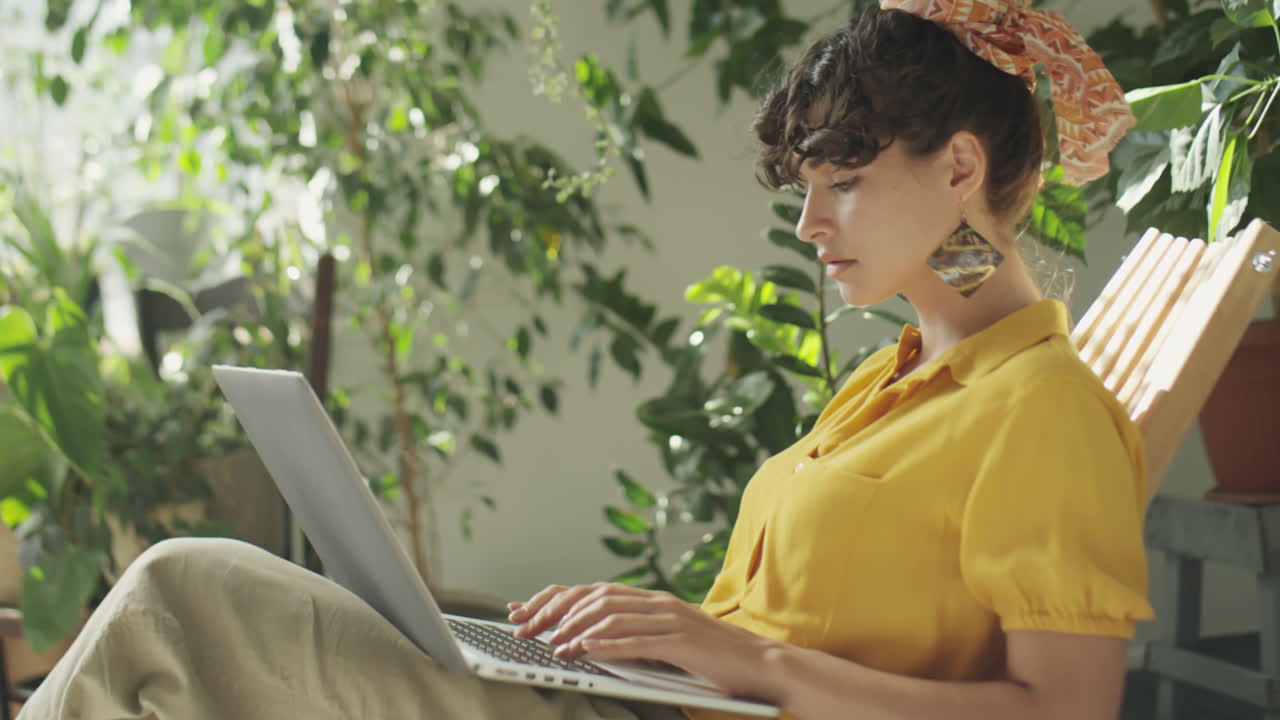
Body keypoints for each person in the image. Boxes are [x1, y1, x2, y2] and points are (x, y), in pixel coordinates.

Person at [19, 1, 1154, 719]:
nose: (810, 225)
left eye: (842, 181)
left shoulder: (1036, 407)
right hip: (641, 705)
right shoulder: (887, 382)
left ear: (960, 167)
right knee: (188, 627)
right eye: (804, 190)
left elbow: (1059, 710)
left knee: (180, 592)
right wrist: (639, 639)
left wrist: (746, 663)